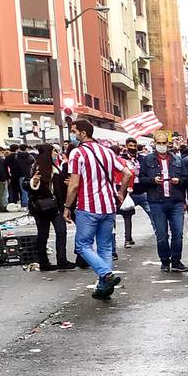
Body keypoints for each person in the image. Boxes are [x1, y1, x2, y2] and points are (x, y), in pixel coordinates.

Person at [62, 120, 131, 300]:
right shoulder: (108, 152)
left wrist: (67, 206)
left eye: (74, 131)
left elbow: (74, 185)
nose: (73, 135)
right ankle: (103, 286)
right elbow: (128, 173)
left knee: (82, 245)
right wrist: (121, 192)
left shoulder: (78, 153)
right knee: (105, 246)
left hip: (88, 206)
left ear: (83, 133)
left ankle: (106, 274)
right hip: (108, 205)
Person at [137, 138, 188, 272]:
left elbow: (186, 179)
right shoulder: (147, 160)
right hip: (156, 202)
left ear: (168, 144)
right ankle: (165, 261)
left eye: (163, 143)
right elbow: (141, 179)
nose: (161, 146)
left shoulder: (177, 160)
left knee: (178, 233)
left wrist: (180, 181)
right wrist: (152, 180)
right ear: (154, 143)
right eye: (158, 143)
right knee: (161, 234)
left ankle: (176, 261)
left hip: (176, 201)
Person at [29, 143, 70, 272]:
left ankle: (61, 259)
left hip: (55, 206)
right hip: (44, 207)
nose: (56, 154)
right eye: (53, 152)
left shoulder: (54, 168)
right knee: (44, 233)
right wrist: (34, 182)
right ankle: (44, 262)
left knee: (60, 231)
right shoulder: (37, 168)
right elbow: (32, 187)